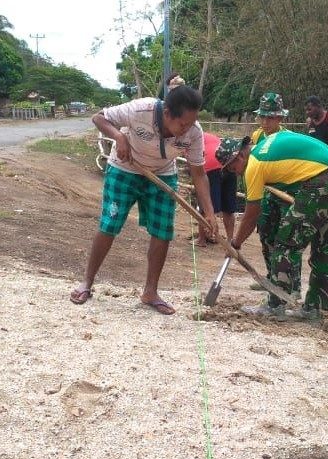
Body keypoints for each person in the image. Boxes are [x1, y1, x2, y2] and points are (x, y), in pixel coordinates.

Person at [70, 85, 219, 315]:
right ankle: (87, 283)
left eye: (191, 123)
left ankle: (150, 292)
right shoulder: (140, 110)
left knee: (162, 232)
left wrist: (209, 211)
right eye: (182, 124)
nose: (187, 129)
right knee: (109, 225)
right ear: (167, 113)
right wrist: (119, 136)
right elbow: (98, 118)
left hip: (163, 174)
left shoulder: (194, 132)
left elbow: (198, 174)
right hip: (124, 168)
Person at [218, 130, 328, 321]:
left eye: (232, 168)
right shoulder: (266, 145)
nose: (234, 172)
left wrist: (235, 243)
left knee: (285, 243)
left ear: (240, 156)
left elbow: (252, 214)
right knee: (326, 248)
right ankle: (314, 309)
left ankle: (275, 304)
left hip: (323, 184)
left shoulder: (254, 164)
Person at [247, 92, 291, 290]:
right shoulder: (257, 136)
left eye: (270, 117)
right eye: (262, 117)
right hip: (265, 193)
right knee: (265, 235)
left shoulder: (287, 139)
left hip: (285, 194)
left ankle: (291, 285)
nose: (265, 122)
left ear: (280, 118)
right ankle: (271, 278)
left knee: (287, 239)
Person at [196, 132, 238, 247]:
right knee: (228, 208)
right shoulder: (208, 136)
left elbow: (193, 164)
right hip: (230, 163)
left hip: (210, 166)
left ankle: (202, 239)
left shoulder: (190, 136)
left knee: (205, 203)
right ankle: (230, 241)